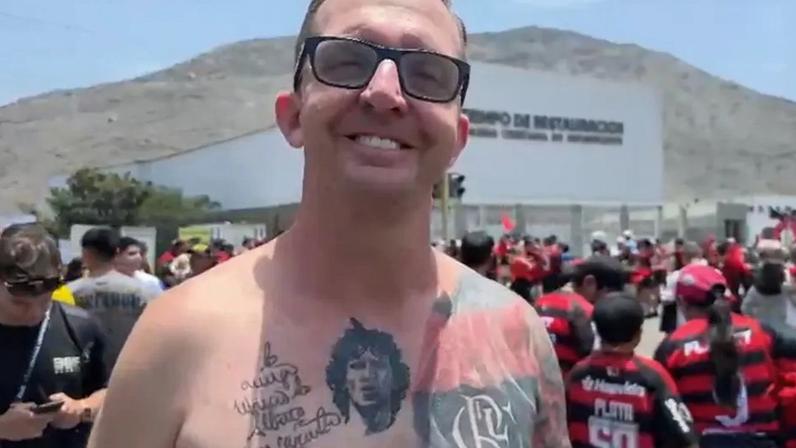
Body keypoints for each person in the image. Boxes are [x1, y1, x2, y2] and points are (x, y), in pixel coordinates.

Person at [87, 1, 569, 447]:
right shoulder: (178, 336)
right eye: (347, 62)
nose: (385, 93)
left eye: (427, 72)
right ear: (293, 116)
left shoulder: (515, 335)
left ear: (458, 141)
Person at [0, 224, 108, 448]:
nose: (35, 313)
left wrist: (81, 409)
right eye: (19, 304)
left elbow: (113, 391)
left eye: (45, 301)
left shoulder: (82, 327)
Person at [654, 264, 781, 447]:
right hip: (764, 440)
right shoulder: (761, 331)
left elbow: (666, 408)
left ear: (682, 302)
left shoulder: (672, 346)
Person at [566, 293, 698, 448]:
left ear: (598, 332)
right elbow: (683, 434)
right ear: (638, 335)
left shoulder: (578, 374)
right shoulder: (652, 375)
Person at [69, 228, 156, 373]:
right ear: (116, 252)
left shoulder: (68, 292)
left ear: (85, 253)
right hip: (129, 370)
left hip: (83, 371)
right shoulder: (143, 291)